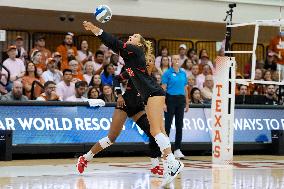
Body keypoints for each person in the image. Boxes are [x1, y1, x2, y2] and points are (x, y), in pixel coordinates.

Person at [82, 21, 184, 185]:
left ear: (139, 44)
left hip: (153, 94)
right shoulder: (131, 60)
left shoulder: (135, 51)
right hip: (145, 97)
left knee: (156, 131)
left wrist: (97, 30)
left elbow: (114, 43)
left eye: (134, 36)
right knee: (157, 131)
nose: (131, 36)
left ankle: (172, 163)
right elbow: (118, 74)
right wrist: (118, 93)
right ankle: (170, 164)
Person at [77, 54, 164, 177]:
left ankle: (155, 166)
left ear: (154, 64)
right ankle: (85, 158)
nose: (148, 62)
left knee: (153, 133)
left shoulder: (153, 80)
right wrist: (119, 95)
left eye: (151, 60)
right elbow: (116, 79)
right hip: (124, 104)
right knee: (111, 139)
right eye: (146, 60)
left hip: (138, 108)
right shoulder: (133, 71)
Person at [162, 55, 189, 159]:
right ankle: (165, 149)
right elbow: (163, 88)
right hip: (170, 100)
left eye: (178, 59)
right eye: (174, 59)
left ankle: (177, 149)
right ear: (171, 61)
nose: (176, 61)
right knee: (167, 125)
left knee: (179, 125)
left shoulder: (183, 73)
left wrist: (187, 102)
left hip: (180, 100)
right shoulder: (167, 73)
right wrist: (164, 103)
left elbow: (185, 88)